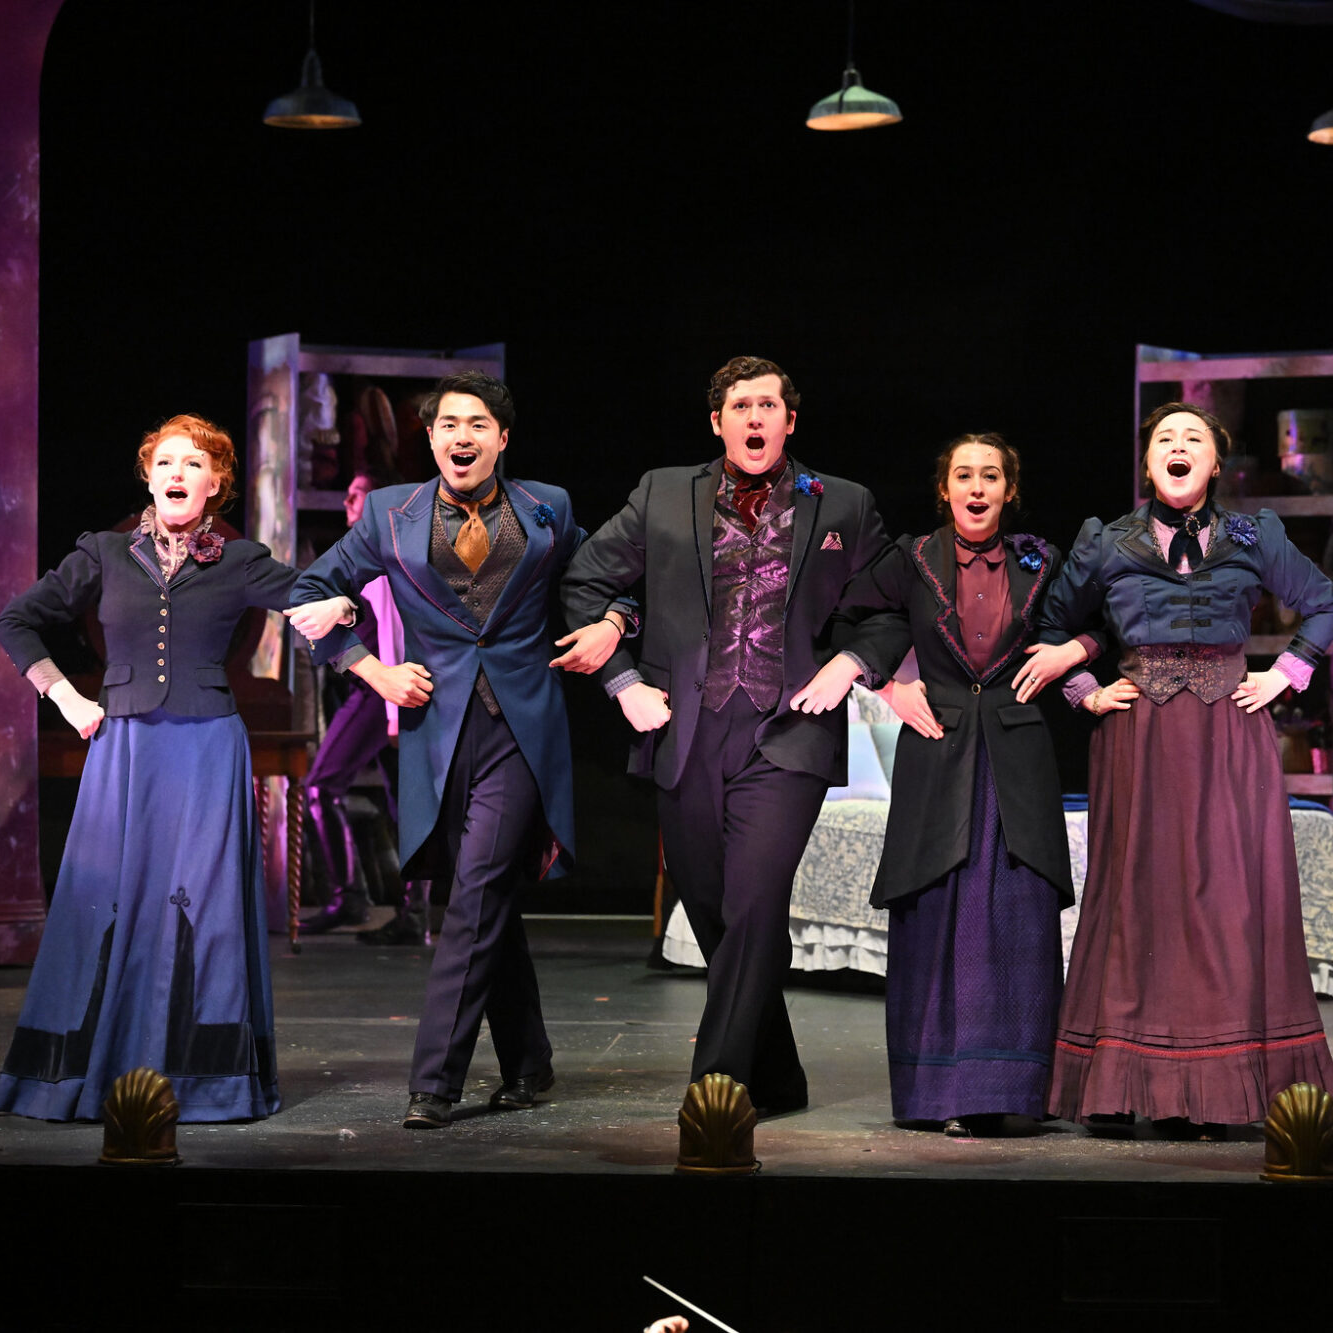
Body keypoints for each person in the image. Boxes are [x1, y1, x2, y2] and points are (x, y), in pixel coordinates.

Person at [561, 355, 903, 1117]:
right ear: (716, 422)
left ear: (790, 420)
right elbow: (586, 578)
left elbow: (885, 608)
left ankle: (716, 1088)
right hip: (685, 728)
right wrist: (622, 680)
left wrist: (847, 664)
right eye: (740, 406)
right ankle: (777, 1070)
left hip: (788, 733)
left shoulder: (842, 503)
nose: (755, 418)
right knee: (713, 908)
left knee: (753, 902)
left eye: (769, 405)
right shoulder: (662, 493)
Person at [286, 372, 619, 1128]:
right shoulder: (387, 514)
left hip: (522, 731)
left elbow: (608, 576)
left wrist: (614, 623)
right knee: (478, 890)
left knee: (472, 892)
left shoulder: (547, 508)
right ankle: (530, 1062)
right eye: (446, 425)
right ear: (430, 438)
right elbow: (310, 591)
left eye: (477, 424)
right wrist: (370, 668)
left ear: (502, 438)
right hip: (436, 734)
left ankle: (434, 1079)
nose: (460, 436)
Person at [1024, 401, 1333, 1138]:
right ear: (1148, 462)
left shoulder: (1250, 533)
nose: (1178, 447)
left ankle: (1222, 1089)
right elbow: (1055, 625)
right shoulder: (1107, 541)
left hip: (1229, 734)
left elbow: (1325, 605)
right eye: (1165, 439)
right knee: (1141, 900)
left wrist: (1286, 671)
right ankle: (1122, 1082)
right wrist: (1088, 689)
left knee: (1227, 902)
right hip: (1138, 735)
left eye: (1192, 439)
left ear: (1215, 462)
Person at [0, 414, 298, 1122]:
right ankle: (85, 1076)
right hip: (124, 748)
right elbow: (16, 620)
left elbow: (312, 605)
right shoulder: (103, 551)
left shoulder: (242, 558)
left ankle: (205, 1082)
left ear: (215, 482)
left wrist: (347, 625)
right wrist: (65, 696)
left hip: (206, 746)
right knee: (105, 903)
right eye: (165, 463)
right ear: (149, 477)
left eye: (193, 464)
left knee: (204, 913)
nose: (177, 474)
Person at [839, 434, 1073, 1137]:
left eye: (991, 476)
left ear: (1010, 489)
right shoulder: (913, 558)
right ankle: (940, 1091)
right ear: (945, 488)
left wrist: (1075, 652)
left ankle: (1020, 1090)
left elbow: (1094, 620)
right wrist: (888, 683)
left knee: (1018, 916)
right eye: (964, 475)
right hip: (937, 755)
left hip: (1016, 761)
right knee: (939, 913)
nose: (977, 487)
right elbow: (853, 617)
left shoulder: (1041, 558)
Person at [296, 469, 407, 936]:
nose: (347, 501)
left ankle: (350, 897)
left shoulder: (384, 550)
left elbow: (393, 629)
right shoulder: (357, 555)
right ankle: (411, 910)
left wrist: (392, 711)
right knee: (405, 801)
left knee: (321, 786)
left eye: (358, 494)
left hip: (379, 690)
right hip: (377, 691)